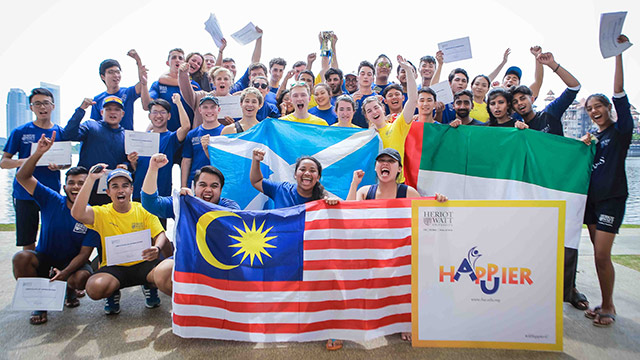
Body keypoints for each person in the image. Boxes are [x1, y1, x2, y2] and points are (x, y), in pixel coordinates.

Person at [343, 148, 447, 348]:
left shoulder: (408, 192)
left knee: (407, 276)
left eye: (391, 162)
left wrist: (439, 202)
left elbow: (426, 218)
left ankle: (404, 321)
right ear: (375, 167)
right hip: (372, 251)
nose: (385, 164)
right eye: (381, 160)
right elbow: (349, 215)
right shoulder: (365, 192)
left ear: (398, 169)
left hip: (400, 252)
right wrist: (354, 184)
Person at [13, 132, 98, 324]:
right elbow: (22, 177)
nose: (76, 187)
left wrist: (65, 274)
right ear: (64, 186)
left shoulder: (93, 215)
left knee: (82, 277)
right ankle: (39, 304)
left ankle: (69, 291)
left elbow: (85, 254)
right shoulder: (51, 199)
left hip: (73, 263)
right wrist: (38, 154)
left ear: (89, 187)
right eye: (71, 183)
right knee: (21, 258)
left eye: (81, 183)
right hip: (45, 259)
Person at [581, 35, 632, 328]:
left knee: (602, 255)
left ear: (608, 109)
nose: (594, 111)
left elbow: (619, 91)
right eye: (589, 108)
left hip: (612, 200)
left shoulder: (621, 130)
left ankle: (609, 304)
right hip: (592, 202)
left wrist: (618, 55)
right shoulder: (594, 139)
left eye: (598, 106)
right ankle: (603, 301)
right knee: (598, 258)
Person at [71, 166, 168, 315]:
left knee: (167, 273)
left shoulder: (143, 209)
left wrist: (157, 248)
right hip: (114, 268)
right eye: (114, 186)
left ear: (131, 190)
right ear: (108, 192)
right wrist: (90, 179)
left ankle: (150, 286)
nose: (120, 190)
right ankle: (112, 292)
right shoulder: (102, 213)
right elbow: (77, 213)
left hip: (143, 264)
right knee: (94, 288)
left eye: (125, 186)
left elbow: (160, 234)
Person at [141, 153, 240, 295]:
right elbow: (150, 203)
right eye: (202, 185)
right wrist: (153, 168)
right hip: (188, 258)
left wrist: (196, 204)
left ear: (220, 190)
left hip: (218, 261)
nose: (208, 189)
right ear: (193, 186)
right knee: (161, 273)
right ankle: (186, 306)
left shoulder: (230, 207)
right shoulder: (184, 202)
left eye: (214, 186)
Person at [2, 88, 65, 250]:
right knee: (27, 240)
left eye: (46, 103)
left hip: (50, 192)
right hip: (24, 193)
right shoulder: (20, 132)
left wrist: (60, 165)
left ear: (53, 106)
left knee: (53, 235)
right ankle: (29, 271)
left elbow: (66, 163)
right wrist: (27, 161)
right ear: (31, 107)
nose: (42, 107)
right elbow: (4, 162)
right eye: (37, 104)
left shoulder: (59, 132)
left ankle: (50, 271)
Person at [62, 96, 130, 205]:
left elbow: (129, 161)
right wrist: (81, 110)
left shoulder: (127, 136)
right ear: (102, 112)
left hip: (111, 190)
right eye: (108, 109)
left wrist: (126, 165)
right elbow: (68, 134)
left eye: (117, 109)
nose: (112, 112)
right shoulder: (91, 126)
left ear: (122, 114)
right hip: (86, 187)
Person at [131, 95, 191, 218]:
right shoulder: (141, 139)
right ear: (149, 116)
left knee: (159, 234)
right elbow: (137, 167)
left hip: (160, 197)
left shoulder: (170, 138)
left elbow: (186, 127)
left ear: (169, 116)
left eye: (163, 112)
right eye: (155, 112)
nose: (158, 116)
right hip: (139, 193)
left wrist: (178, 103)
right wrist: (132, 161)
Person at [361, 55, 417, 183]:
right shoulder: (367, 137)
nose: (374, 112)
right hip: (376, 186)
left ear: (383, 108)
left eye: (376, 107)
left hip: (398, 185)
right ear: (366, 116)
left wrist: (408, 70)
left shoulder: (397, 126)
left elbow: (413, 99)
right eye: (369, 111)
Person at [511, 51, 581, 135]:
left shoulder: (550, 113)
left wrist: (552, 64)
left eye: (522, 98)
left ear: (532, 99)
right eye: (515, 102)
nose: (519, 103)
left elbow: (574, 87)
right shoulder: (518, 128)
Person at [250, 149, 334, 208]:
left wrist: (333, 204)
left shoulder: (323, 200)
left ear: (318, 177)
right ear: (295, 174)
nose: (307, 173)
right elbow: (256, 181)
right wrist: (256, 161)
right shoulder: (281, 190)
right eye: (302, 169)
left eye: (312, 170)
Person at [91, 50, 150, 131]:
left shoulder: (127, 92)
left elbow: (142, 84)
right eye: (111, 72)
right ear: (103, 77)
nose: (115, 75)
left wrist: (138, 62)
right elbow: (95, 125)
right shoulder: (97, 99)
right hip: (106, 141)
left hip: (126, 140)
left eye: (117, 72)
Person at [181, 95, 225, 188]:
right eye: (205, 107)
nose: (209, 111)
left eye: (213, 107)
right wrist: (183, 186)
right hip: (196, 182)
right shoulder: (192, 134)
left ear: (219, 110)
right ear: (200, 110)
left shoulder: (226, 132)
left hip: (218, 182)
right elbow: (186, 161)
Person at [148, 48, 196, 132]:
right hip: (166, 134)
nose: (177, 60)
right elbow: (148, 105)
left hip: (189, 133)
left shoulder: (193, 85)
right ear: (168, 63)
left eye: (180, 58)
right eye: (174, 57)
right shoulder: (158, 84)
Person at [351, 61, 376, 128]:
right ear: (357, 77)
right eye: (362, 74)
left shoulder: (377, 99)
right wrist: (351, 103)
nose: (365, 77)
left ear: (373, 79)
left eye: (369, 74)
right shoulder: (350, 98)